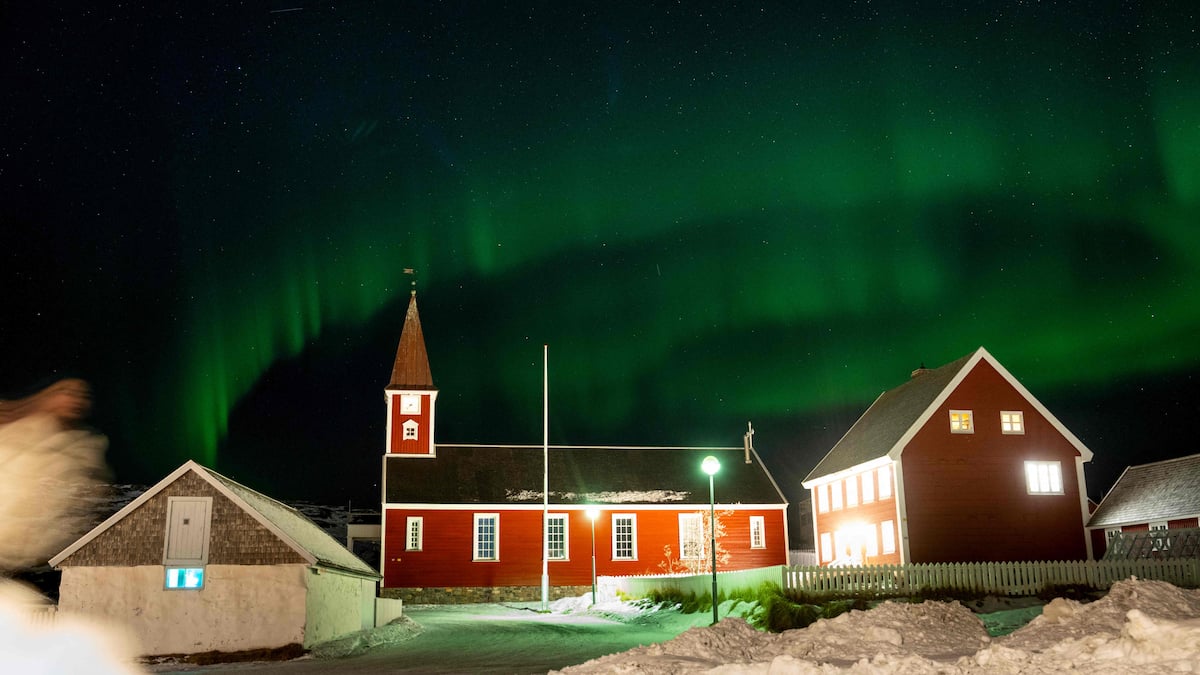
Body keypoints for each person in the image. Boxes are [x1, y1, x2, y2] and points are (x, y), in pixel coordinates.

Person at [0, 378, 110, 572]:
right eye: (66, 391)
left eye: (84, 396)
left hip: (43, 562)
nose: (76, 400)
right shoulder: (18, 437)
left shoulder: (87, 452)